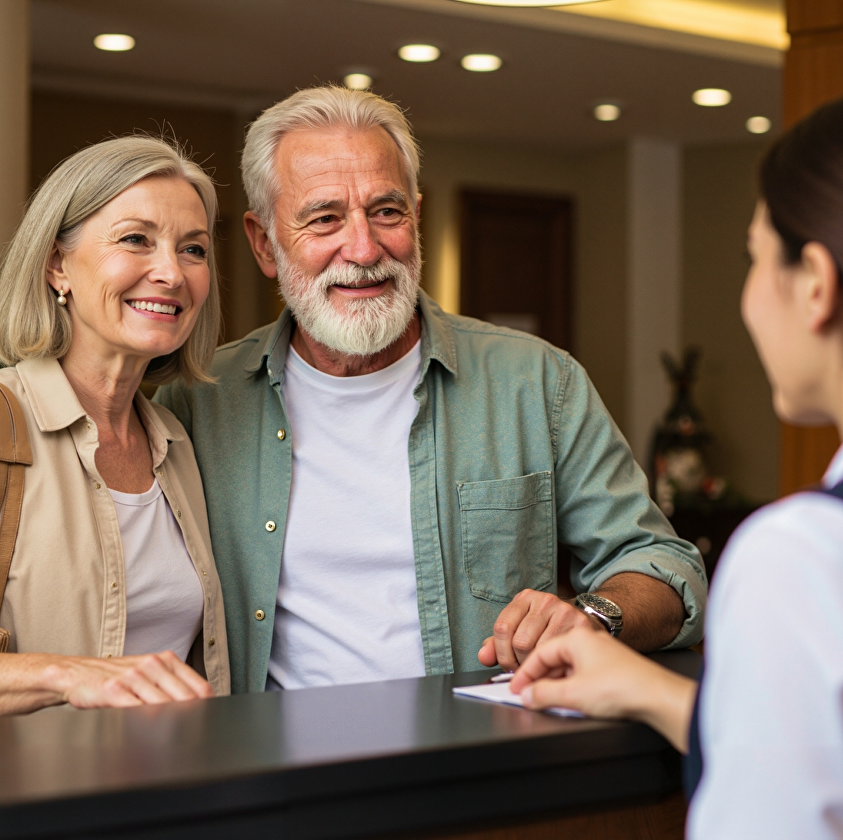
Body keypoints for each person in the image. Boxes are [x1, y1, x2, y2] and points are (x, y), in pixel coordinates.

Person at [155, 84, 706, 695]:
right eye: (324, 218)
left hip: (476, 763)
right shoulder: (195, 401)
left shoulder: (537, 383)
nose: (363, 249)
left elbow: (666, 567)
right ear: (264, 243)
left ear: (416, 217)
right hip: (273, 772)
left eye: (387, 212)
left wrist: (592, 618)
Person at [511, 82, 843, 840]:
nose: (748, 297)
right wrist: (654, 693)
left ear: (814, 283)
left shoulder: (813, 556)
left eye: (753, 258)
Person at [0, 136, 230, 715]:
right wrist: (66, 675)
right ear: (57, 265)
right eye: (135, 240)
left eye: (194, 250)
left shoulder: (178, 444)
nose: (172, 273)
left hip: (172, 794)